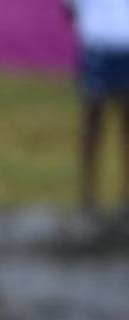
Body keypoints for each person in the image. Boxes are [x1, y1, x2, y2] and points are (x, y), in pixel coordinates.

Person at [64, 0, 129, 210]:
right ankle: (89, 193)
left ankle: (122, 195)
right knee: (93, 120)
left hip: (118, 45)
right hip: (98, 44)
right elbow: (70, 9)